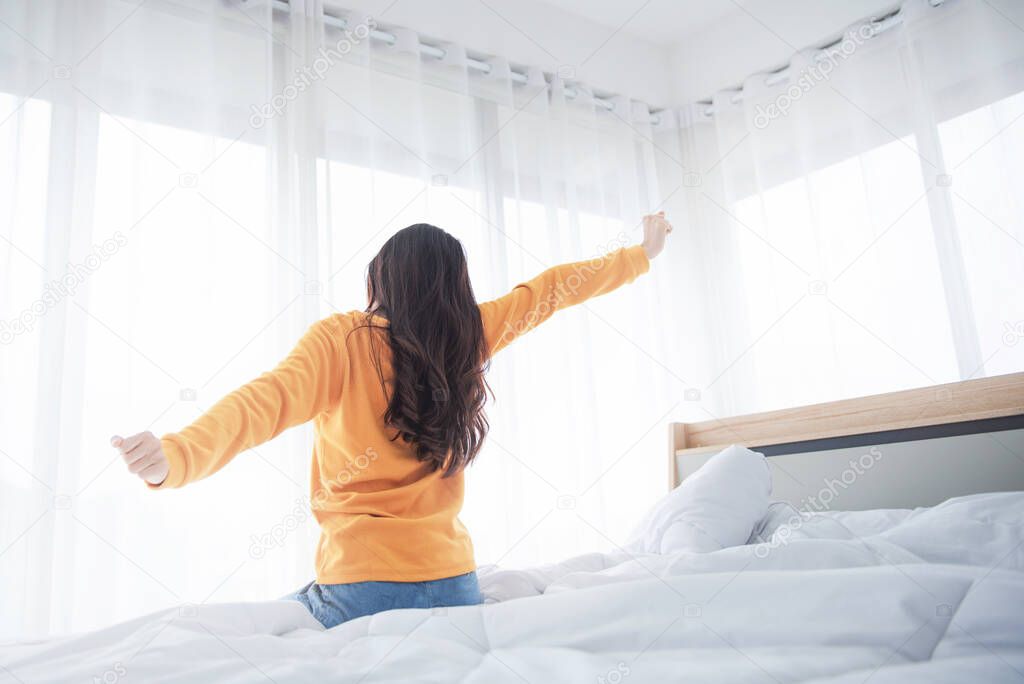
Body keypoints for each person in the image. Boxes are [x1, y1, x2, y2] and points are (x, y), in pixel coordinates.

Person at [111, 212, 672, 628]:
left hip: (362, 588)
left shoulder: (343, 339)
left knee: (240, 638)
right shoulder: (467, 336)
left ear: (382, 278)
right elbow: (550, 292)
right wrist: (641, 255)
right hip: (455, 585)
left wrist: (178, 455)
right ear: (454, 289)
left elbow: (265, 402)